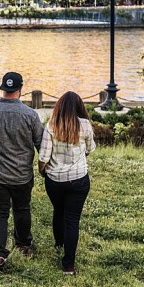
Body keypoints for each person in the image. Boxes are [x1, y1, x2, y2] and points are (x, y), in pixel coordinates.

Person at [0, 71, 44, 273]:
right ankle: (24, 245)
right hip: (22, 174)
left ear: (3, 89)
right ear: (20, 89)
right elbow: (40, 143)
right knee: (22, 209)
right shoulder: (31, 115)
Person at [38, 91, 95, 275]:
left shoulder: (51, 126)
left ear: (59, 106)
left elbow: (44, 156)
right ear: (79, 107)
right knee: (72, 220)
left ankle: (58, 244)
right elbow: (91, 148)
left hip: (55, 180)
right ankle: (68, 265)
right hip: (78, 179)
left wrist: (42, 171)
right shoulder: (85, 125)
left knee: (58, 211)